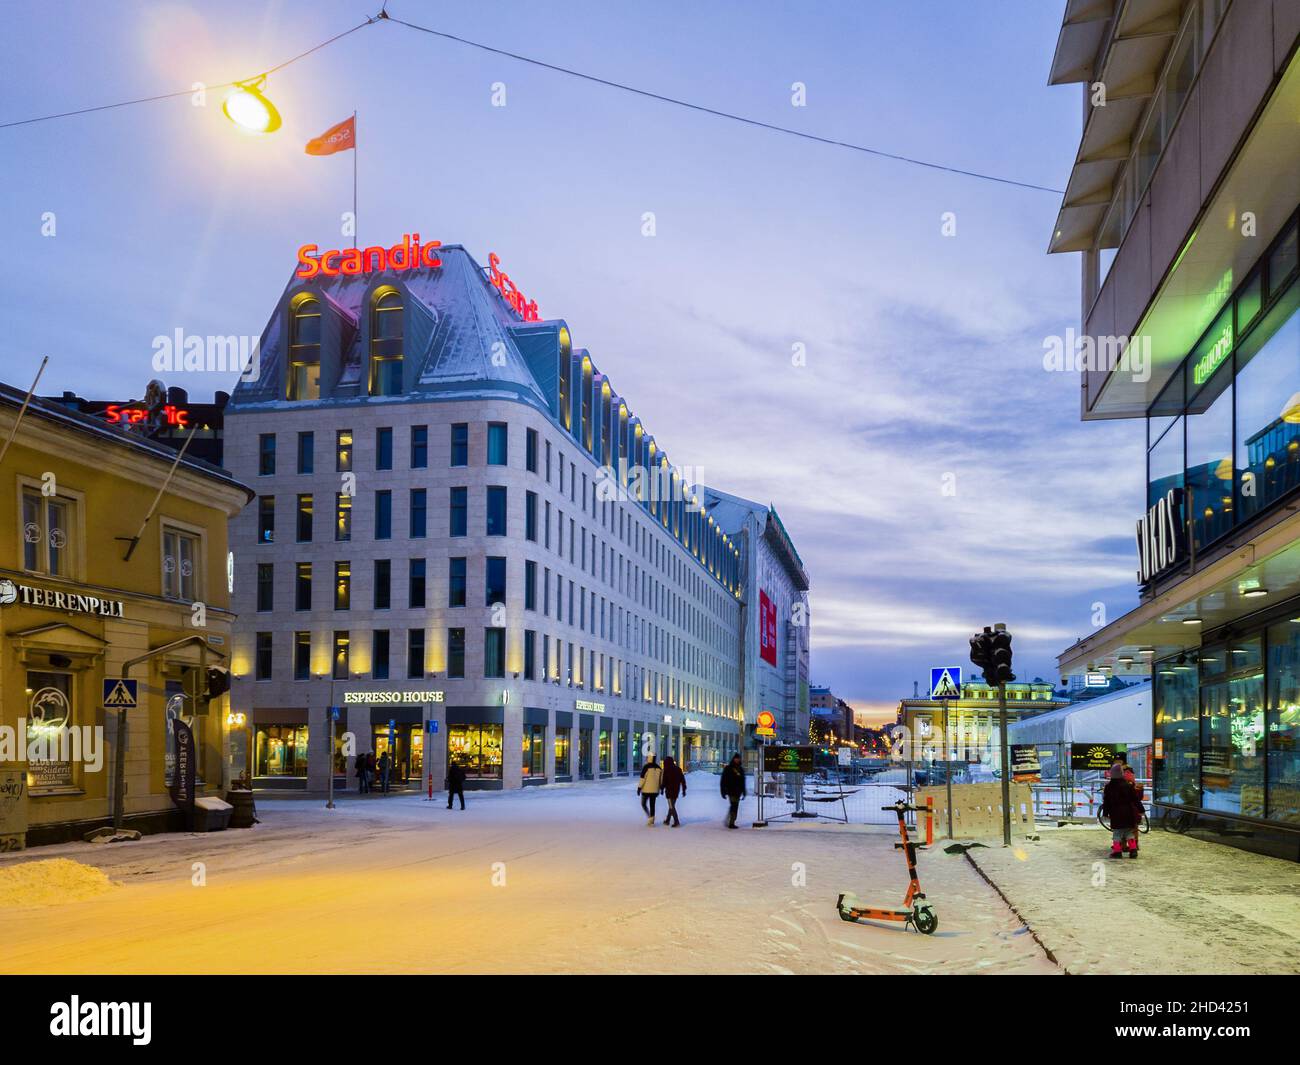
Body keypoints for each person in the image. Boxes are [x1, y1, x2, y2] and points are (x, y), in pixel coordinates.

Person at [1101, 763, 1139, 858]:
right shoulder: (1128, 785)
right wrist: (1141, 810)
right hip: (1128, 812)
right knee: (1129, 832)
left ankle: (1117, 852)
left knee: (1117, 833)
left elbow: (1107, 802)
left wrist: (1105, 813)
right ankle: (1133, 850)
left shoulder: (1109, 787)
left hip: (1116, 813)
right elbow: (1135, 800)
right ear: (1121, 773)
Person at [1123, 762, 1145, 852]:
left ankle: (1121, 846)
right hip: (1133, 812)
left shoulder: (1118, 785)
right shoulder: (1136, 786)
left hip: (1121, 812)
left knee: (1120, 831)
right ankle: (1134, 847)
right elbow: (1138, 799)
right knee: (1134, 830)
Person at [720, 753, 746, 829]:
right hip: (731, 790)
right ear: (733, 759)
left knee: (735, 806)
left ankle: (730, 820)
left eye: (738, 758)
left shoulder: (740, 769)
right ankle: (731, 822)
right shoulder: (728, 768)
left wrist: (744, 792)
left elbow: (743, 781)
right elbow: (723, 780)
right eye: (736, 758)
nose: (737, 760)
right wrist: (723, 791)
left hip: (738, 791)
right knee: (734, 805)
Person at [661, 755, 687, 826]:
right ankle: (667, 820)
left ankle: (676, 821)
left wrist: (662, 789)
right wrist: (684, 790)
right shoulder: (678, 769)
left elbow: (664, 781)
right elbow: (683, 780)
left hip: (669, 791)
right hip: (676, 791)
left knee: (671, 806)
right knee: (672, 805)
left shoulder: (666, 770)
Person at [639, 754, 663, 825]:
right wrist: (661, 788)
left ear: (649, 758)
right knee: (652, 805)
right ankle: (652, 819)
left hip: (646, 790)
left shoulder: (646, 767)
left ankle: (650, 816)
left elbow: (642, 778)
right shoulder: (659, 768)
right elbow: (661, 780)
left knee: (643, 804)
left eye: (647, 757)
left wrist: (639, 788)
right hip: (655, 790)